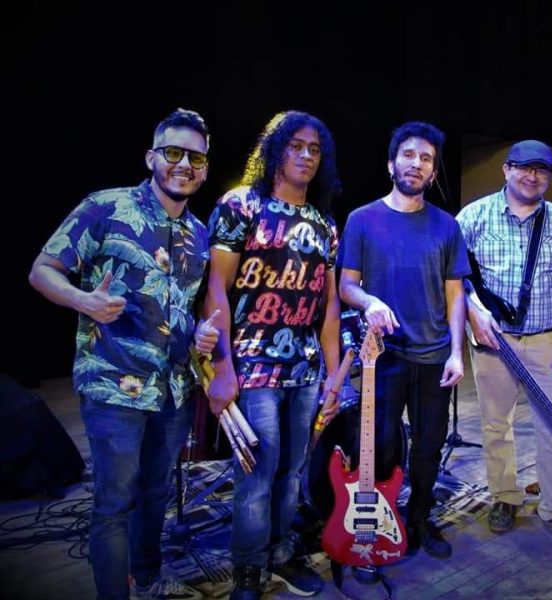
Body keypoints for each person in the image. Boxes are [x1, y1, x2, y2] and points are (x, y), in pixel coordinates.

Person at [29, 108, 217, 599]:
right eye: (173, 153)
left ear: (205, 168)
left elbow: (178, 307)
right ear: (151, 157)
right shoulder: (106, 207)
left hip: (174, 389)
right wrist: (84, 300)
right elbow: (42, 270)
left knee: (156, 493)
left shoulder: (199, 234)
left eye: (196, 157)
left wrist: (198, 335)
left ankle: (149, 579)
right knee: (113, 505)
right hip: (115, 383)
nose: (184, 164)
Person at [203, 110, 341, 599]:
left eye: (314, 149)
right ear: (274, 149)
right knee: (258, 473)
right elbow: (216, 291)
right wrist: (222, 368)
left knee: (293, 472)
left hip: (305, 368)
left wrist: (333, 376)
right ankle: (248, 567)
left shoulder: (324, 224)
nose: (305, 156)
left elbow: (329, 308)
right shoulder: (240, 205)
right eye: (295, 146)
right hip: (253, 362)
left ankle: (281, 552)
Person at [456, 140, 552, 543]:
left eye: (541, 170)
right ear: (506, 169)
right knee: (495, 424)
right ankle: (504, 496)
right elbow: (453, 278)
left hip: (546, 339)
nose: (532, 176)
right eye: (524, 167)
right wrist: (473, 314)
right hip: (493, 340)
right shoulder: (473, 216)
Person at [338, 121, 470, 559]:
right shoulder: (362, 219)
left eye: (426, 158)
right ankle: (380, 521)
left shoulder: (446, 226)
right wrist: (369, 301)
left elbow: (455, 294)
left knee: (429, 446)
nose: (417, 163)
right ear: (391, 163)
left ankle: (418, 520)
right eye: (409, 155)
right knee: (380, 446)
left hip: (434, 356)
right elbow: (346, 286)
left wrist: (457, 353)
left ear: (433, 171)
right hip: (383, 356)